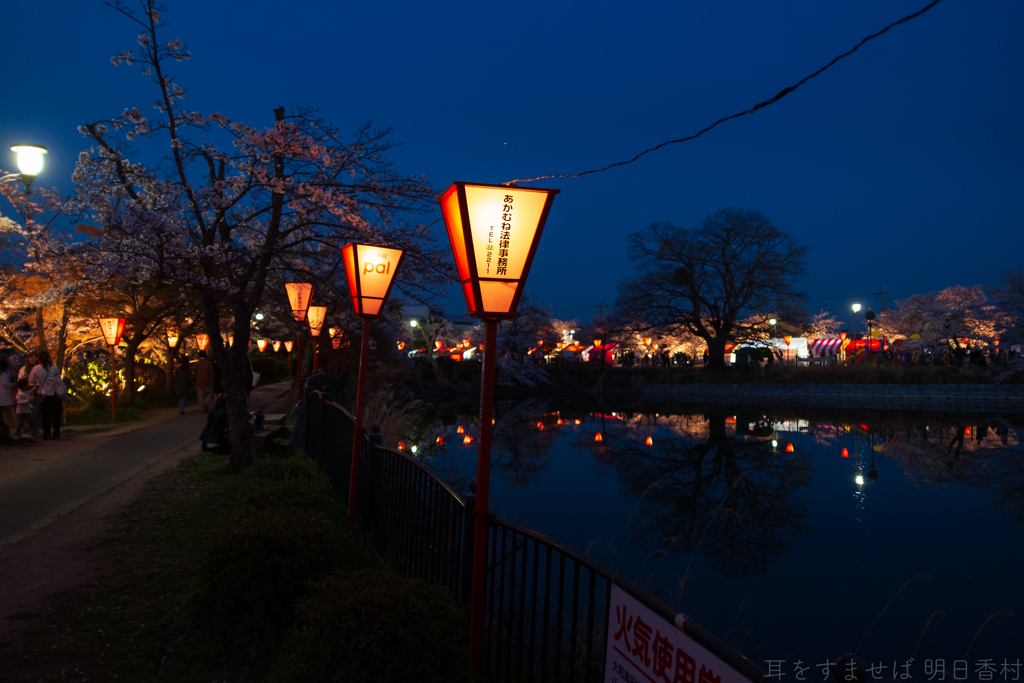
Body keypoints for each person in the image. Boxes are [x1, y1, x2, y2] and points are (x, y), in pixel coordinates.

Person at [30, 350, 63, 440]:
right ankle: (56, 434)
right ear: (48, 357)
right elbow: (58, 379)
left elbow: (31, 380)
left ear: (39, 359)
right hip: (56, 394)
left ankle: (47, 434)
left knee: (45, 416)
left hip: (44, 396)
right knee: (56, 416)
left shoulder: (36, 368)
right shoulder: (54, 367)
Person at [0, 358, 13, 440]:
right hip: (3, 395)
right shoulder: (3, 375)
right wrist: (13, 384)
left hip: (2, 395)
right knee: (4, 411)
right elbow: (5, 384)